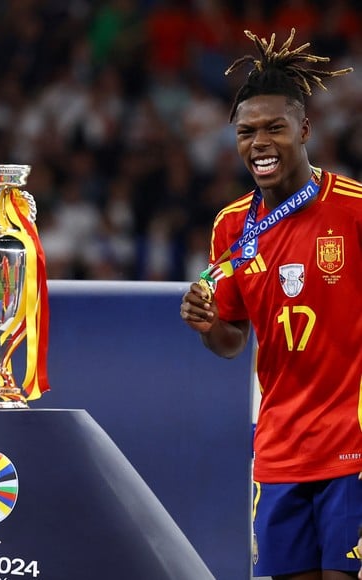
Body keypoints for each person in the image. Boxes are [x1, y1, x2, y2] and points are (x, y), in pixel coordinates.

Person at [180, 29, 360, 580]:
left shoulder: (354, 212)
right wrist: (210, 326)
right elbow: (233, 342)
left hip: (353, 448)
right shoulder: (232, 226)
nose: (260, 142)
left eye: (275, 128)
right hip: (279, 452)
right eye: (246, 132)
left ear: (304, 129)